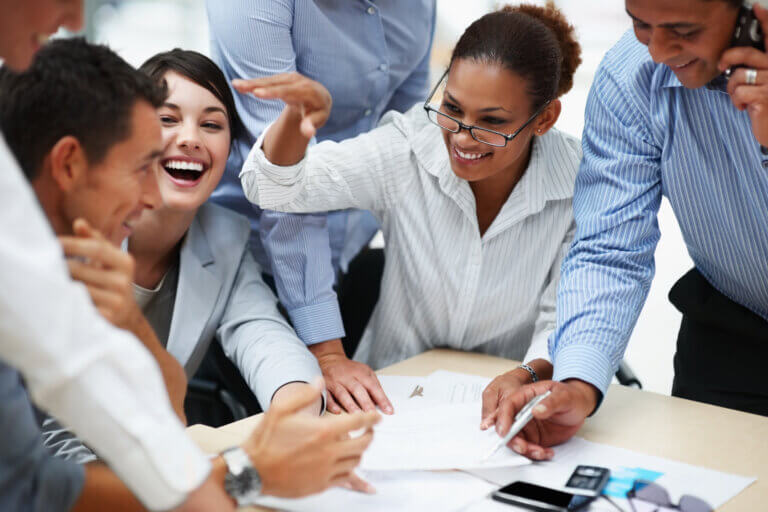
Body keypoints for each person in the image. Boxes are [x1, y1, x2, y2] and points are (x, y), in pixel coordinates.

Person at [0, 37, 379, 510]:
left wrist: (295, 410)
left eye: (212, 124)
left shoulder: (223, 234)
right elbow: (48, 459)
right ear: (74, 161)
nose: (189, 139)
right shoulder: (43, 259)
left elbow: (252, 341)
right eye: (162, 125)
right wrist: (236, 476)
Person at [235, 3, 583, 412]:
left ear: (544, 119)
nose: (463, 138)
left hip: (517, 404)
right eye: (452, 109)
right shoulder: (406, 147)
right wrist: (295, 120)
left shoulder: (579, 183)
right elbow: (269, 188)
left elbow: (564, 314)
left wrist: (528, 375)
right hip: (390, 401)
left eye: (491, 122)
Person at [482, 0, 768, 462]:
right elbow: (611, 249)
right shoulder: (629, 75)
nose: (657, 51)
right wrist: (576, 384)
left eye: (681, 29)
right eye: (641, 25)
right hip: (735, 326)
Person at [206, 0, 436, 415]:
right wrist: (328, 352)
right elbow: (283, 180)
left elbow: (408, 137)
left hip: (350, 249)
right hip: (252, 258)